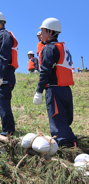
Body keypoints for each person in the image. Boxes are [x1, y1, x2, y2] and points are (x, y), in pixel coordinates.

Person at [33, 18, 77, 147]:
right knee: (64, 120)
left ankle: (65, 147)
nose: (40, 34)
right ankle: (72, 141)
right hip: (65, 90)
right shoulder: (63, 47)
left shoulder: (48, 48)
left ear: (50, 32)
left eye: (42, 31)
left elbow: (45, 72)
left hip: (54, 90)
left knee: (57, 120)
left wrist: (39, 91)